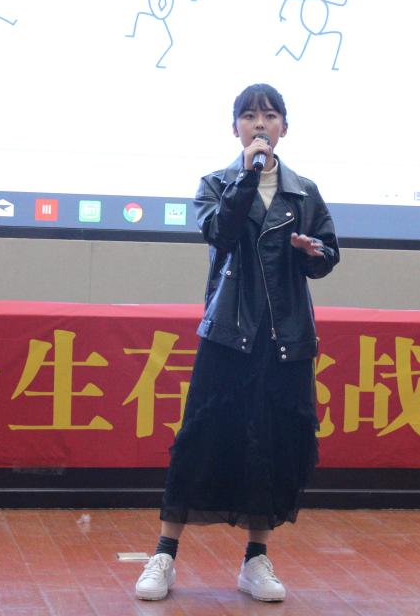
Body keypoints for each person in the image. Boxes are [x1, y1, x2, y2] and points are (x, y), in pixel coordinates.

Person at [134, 82, 340, 602]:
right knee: (200, 438)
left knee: (272, 442)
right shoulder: (216, 183)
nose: (260, 124)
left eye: (269, 116)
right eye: (249, 116)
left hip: (285, 335)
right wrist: (247, 178)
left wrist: (313, 251)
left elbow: (329, 254)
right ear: (235, 129)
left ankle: (256, 560)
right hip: (229, 331)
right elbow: (219, 233)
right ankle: (164, 554)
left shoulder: (304, 191)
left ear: (285, 128)